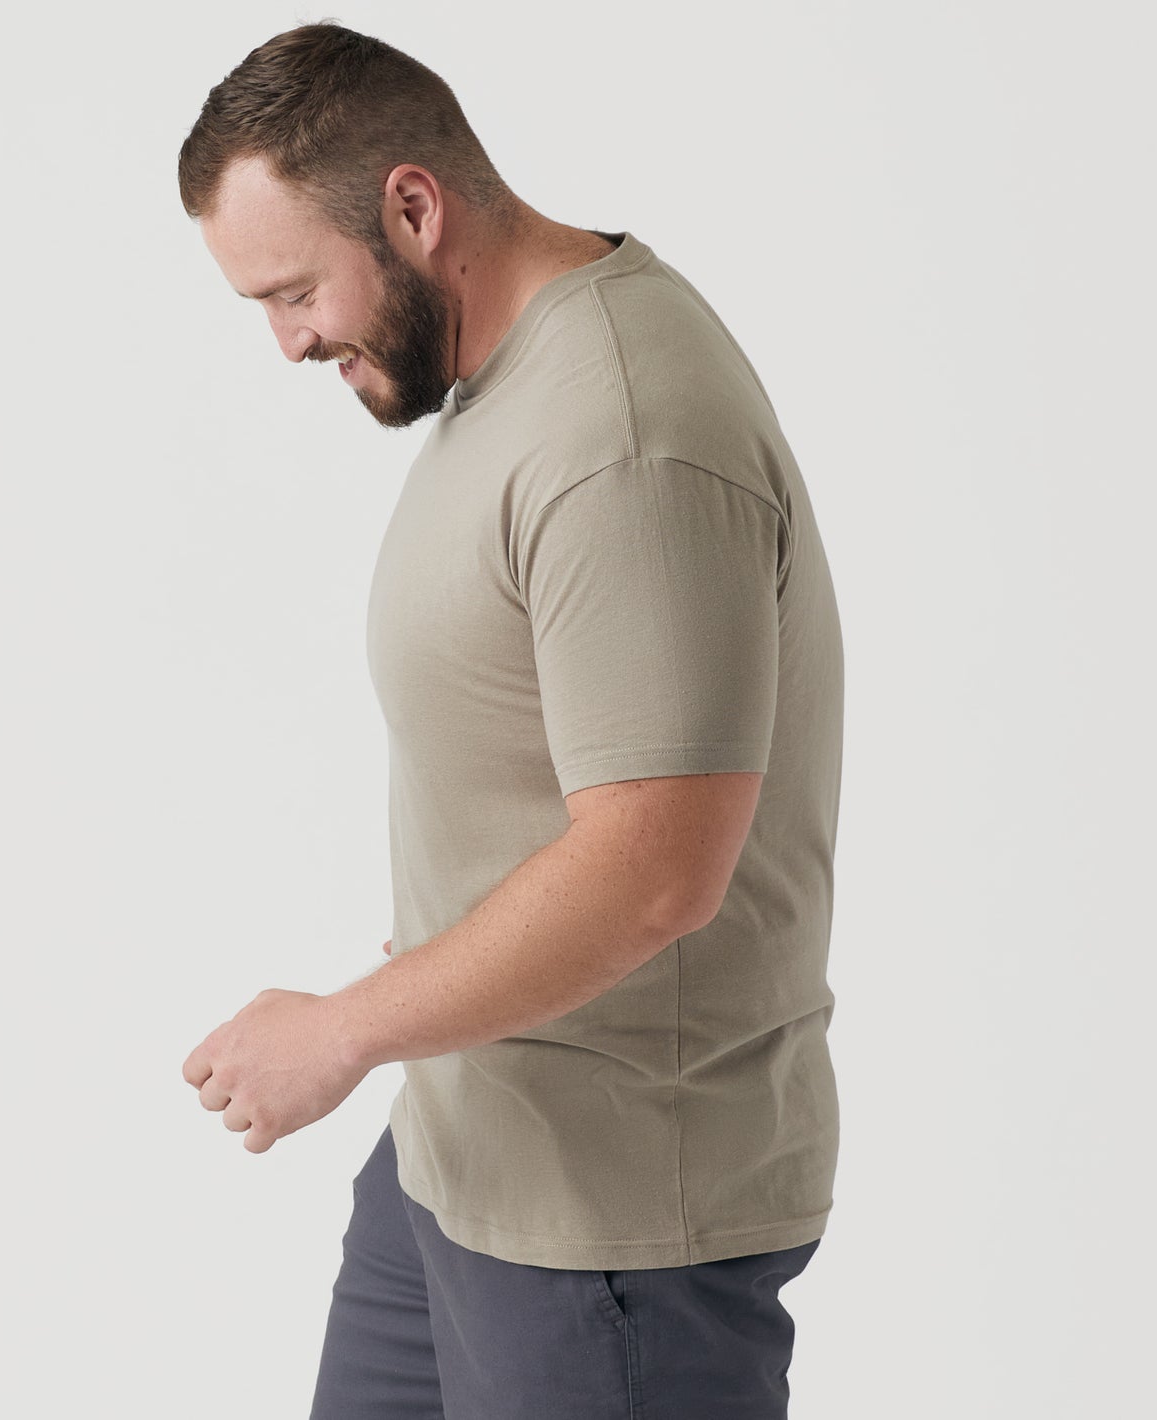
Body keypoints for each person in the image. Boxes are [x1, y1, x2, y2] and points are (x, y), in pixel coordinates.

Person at [177, 20, 844, 1419]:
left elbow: (656, 869)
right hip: (462, 1155)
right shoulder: (504, 371)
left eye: (295, 291)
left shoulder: (623, 434)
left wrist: (346, 1029)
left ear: (414, 209)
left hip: (607, 1237)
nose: (289, 342)